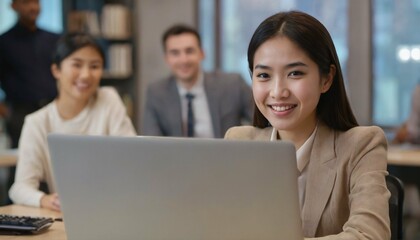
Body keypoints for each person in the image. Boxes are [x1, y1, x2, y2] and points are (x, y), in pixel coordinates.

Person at [224, 11, 390, 239]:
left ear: (326, 79)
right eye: (263, 75)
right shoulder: (238, 142)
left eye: (295, 73)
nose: (277, 92)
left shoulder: (361, 145)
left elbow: (369, 235)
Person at [8, 32, 137, 212]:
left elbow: (132, 158)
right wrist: (45, 200)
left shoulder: (108, 99)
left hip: (114, 207)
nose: (85, 75)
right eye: (76, 65)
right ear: (56, 70)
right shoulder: (37, 122)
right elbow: (19, 188)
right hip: (69, 214)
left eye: (95, 66)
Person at [142, 24, 253, 138]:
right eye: (175, 53)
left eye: (189, 51)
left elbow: (263, 125)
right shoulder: (156, 93)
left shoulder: (233, 84)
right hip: (176, 156)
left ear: (202, 53)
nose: (183, 60)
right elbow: (151, 140)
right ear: (166, 58)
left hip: (227, 155)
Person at [0, 0, 60, 148]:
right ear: (14, 6)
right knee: (22, 164)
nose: (33, 7)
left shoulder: (54, 39)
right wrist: (6, 113)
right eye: (26, 2)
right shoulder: (4, 42)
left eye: (36, 2)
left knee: (57, 160)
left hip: (53, 111)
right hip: (21, 114)